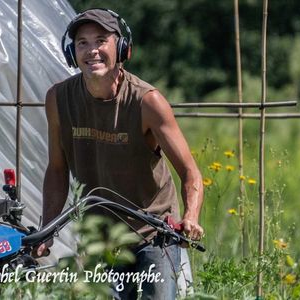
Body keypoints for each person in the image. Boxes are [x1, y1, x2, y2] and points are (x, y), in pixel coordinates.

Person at [35, 8, 204, 299]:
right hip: (100, 237)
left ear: (123, 48)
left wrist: (190, 217)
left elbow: (190, 172)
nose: (92, 51)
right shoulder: (58, 99)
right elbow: (58, 169)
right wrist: (46, 229)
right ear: (71, 53)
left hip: (154, 233)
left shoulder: (147, 102)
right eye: (82, 43)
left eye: (101, 40)